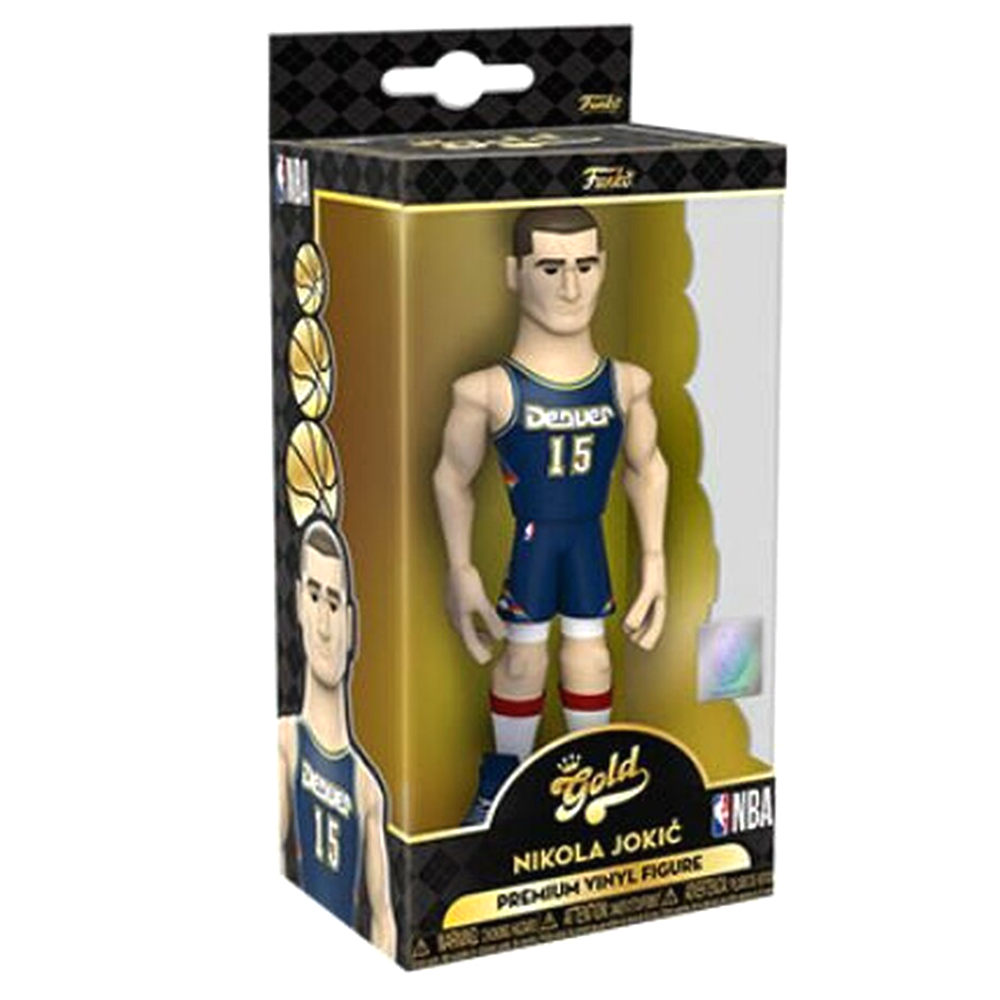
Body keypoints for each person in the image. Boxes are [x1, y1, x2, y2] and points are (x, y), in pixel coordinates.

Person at [434, 206, 670, 824]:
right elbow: (452, 476)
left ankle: (594, 781)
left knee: (592, 658)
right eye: (550, 268)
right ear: (515, 272)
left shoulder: (628, 383)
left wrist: (655, 560)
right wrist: (460, 568)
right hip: (535, 538)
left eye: (585, 266)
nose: (570, 287)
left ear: (604, 268)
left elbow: (648, 467)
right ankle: (504, 784)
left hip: (585, 538)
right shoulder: (487, 389)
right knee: (522, 659)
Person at [278, 519, 396, 956]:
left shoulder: (367, 789)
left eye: (333, 603)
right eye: (313, 598)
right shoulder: (284, 745)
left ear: (350, 621)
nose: (324, 627)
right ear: (297, 603)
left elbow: (384, 920)